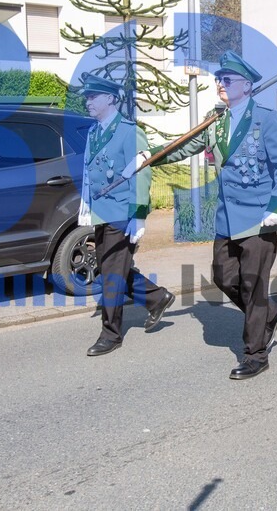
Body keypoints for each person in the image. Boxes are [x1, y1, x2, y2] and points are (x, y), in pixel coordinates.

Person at [166, 51, 277, 380]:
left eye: (227, 79)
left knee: (253, 285)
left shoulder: (265, 119)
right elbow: (185, 146)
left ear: (247, 86)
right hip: (226, 218)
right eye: (218, 79)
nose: (220, 84)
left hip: (258, 218)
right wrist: (150, 155)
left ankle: (255, 354)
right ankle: (269, 314)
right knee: (224, 277)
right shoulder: (216, 122)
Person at [79, 74, 181, 357]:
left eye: (93, 97)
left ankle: (110, 334)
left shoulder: (129, 131)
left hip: (122, 213)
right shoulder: (95, 131)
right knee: (110, 268)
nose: (88, 102)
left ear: (110, 99)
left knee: (112, 274)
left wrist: (138, 216)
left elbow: (141, 174)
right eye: (87, 98)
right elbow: (89, 173)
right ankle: (157, 298)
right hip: (102, 213)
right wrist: (86, 206)